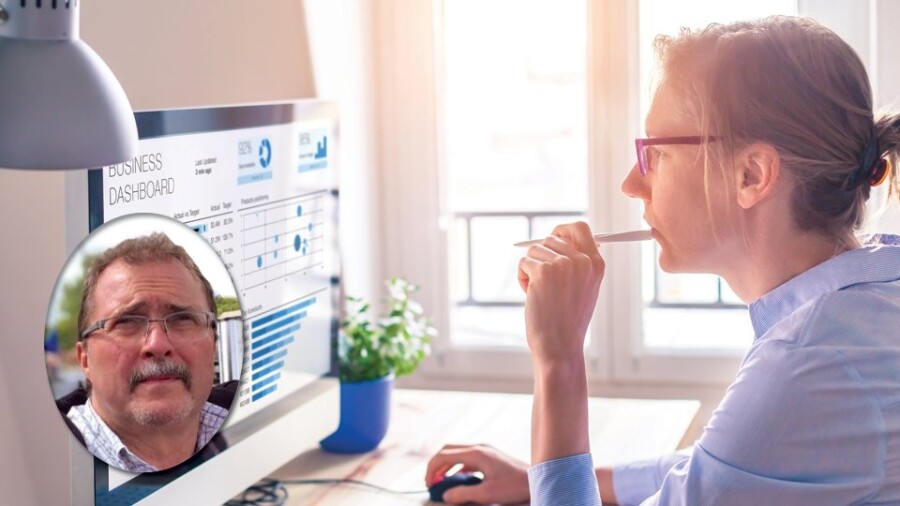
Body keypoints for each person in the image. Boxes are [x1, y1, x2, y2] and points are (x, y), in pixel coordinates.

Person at [426, 15, 900, 505]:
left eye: (655, 154)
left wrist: (559, 359)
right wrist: (538, 478)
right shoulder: (868, 303)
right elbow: (720, 466)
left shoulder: (806, 362)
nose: (631, 184)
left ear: (751, 175)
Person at [57, 232, 236, 473]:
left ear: (213, 343)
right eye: (127, 321)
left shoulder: (249, 419)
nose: (157, 344)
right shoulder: (53, 465)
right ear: (85, 359)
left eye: (183, 318)